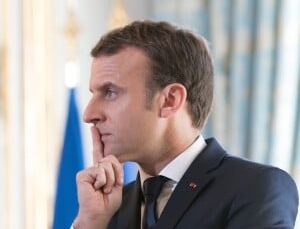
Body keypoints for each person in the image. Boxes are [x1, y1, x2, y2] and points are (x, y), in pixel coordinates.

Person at [72, 20, 298, 229]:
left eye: (110, 92)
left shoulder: (256, 188)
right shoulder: (106, 206)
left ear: (170, 100)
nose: (89, 114)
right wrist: (91, 222)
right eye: (93, 94)